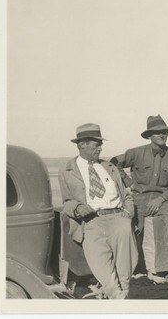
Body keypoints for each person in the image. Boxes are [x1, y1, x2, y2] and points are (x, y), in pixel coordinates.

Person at [58, 123, 138, 299]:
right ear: (82, 145)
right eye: (97, 144)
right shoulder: (67, 170)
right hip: (91, 222)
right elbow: (66, 202)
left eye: (101, 144)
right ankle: (118, 297)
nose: (101, 148)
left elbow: (126, 194)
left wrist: (129, 212)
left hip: (119, 218)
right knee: (103, 269)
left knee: (125, 271)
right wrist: (78, 208)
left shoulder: (109, 166)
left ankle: (121, 297)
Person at [111, 115, 168, 290]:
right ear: (149, 135)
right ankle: (125, 267)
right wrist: (128, 183)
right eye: (157, 132)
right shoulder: (136, 153)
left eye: (164, 132)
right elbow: (113, 163)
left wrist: (161, 199)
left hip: (164, 198)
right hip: (139, 197)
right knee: (127, 223)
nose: (161, 135)